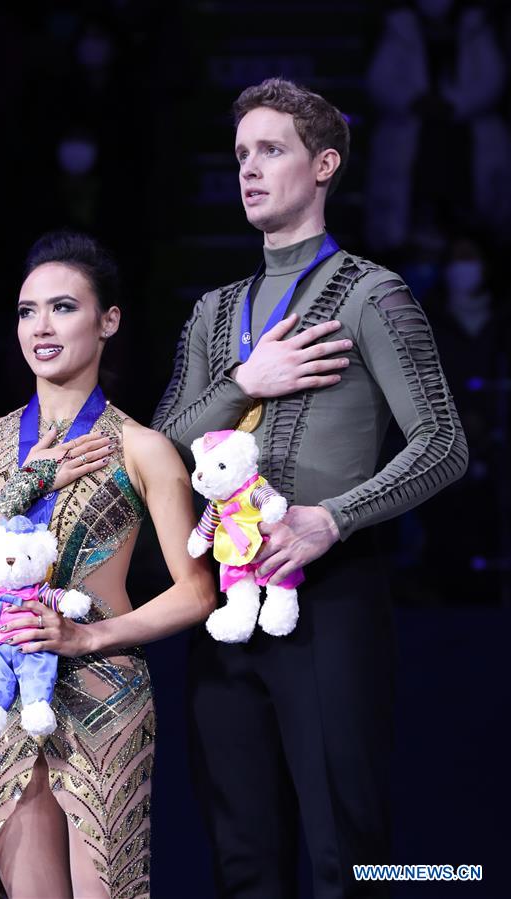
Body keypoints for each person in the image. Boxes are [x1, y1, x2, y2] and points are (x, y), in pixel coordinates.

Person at [153, 78, 468, 898]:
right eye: (239, 156)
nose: (248, 170)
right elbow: (158, 449)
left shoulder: (372, 293)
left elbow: (443, 444)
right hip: (226, 606)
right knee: (243, 858)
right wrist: (243, 380)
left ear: (324, 163)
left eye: (271, 150)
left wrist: (334, 517)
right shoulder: (213, 312)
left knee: (346, 855)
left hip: (329, 601)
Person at [0, 230, 216, 899]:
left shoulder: (142, 448)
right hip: (0, 695)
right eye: (28, 311)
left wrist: (88, 635)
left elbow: (197, 591)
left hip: (103, 691)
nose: (41, 326)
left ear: (107, 319)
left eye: (63, 307)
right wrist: (26, 484)